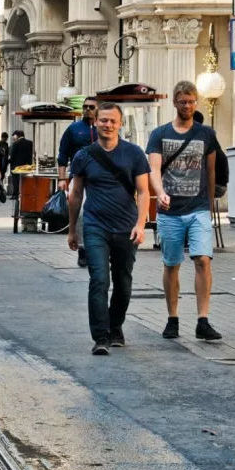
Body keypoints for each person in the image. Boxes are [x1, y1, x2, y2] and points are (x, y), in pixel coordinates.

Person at [67, 102, 150, 356]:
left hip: (126, 227)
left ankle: (116, 326)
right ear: (96, 121)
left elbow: (144, 191)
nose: (108, 125)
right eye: (103, 120)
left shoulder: (134, 153)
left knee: (123, 283)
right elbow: (76, 194)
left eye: (113, 121)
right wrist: (72, 230)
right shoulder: (84, 156)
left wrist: (140, 224)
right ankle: (101, 336)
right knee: (99, 280)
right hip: (95, 226)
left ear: (120, 124)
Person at [147, 81, 222, 342]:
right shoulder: (159, 134)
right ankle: (173, 318)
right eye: (183, 102)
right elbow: (154, 169)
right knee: (172, 264)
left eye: (191, 102)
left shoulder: (206, 134)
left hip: (198, 207)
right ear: (175, 103)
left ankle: (203, 320)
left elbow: (211, 170)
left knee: (203, 259)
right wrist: (160, 192)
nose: (187, 106)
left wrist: (210, 203)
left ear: (196, 103)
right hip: (170, 211)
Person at [59, 97, 99, 268]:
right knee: (82, 212)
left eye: (91, 107)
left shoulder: (104, 128)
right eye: (85, 107)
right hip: (79, 177)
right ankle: (82, 249)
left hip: (100, 178)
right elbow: (62, 154)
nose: (87, 109)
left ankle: (100, 249)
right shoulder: (74, 129)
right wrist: (62, 179)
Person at [7, 130, 34, 199]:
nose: (13, 137)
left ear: (17, 135)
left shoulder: (15, 143)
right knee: (25, 180)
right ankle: (25, 193)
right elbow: (32, 153)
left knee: (15, 181)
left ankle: (15, 195)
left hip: (16, 166)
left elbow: (12, 155)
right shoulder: (30, 143)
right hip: (27, 166)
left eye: (14, 135)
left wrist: (8, 161)